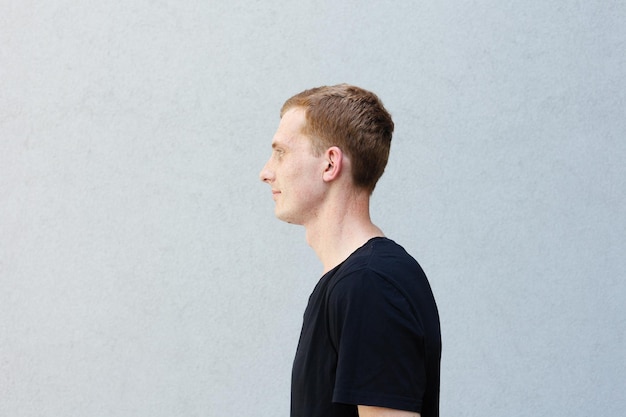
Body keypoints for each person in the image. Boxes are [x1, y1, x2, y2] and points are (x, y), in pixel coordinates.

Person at [259, 84, 441, 417]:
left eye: (281, 152)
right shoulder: (352, 283)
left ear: (330, 164)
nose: (266, 172)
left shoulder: (370, 285)